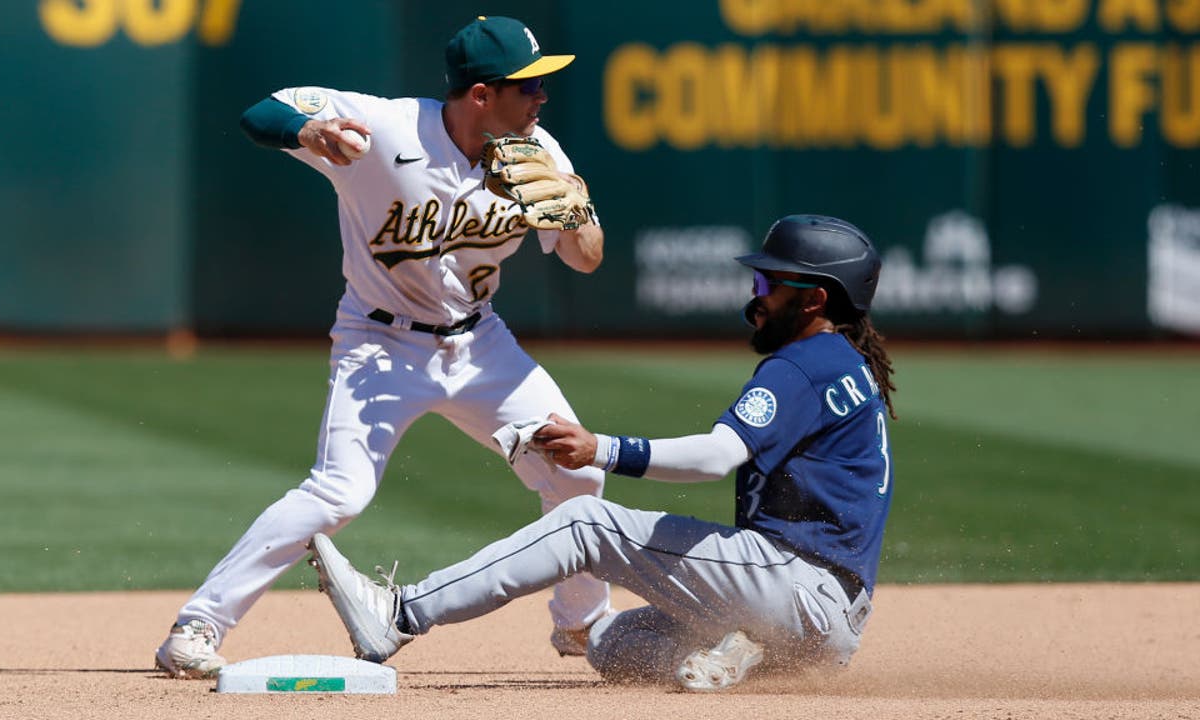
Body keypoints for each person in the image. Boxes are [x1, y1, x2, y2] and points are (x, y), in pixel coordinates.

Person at [154, 16, 612, 678]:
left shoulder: (538, 151)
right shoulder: (386, 128)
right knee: (338, 493)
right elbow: (263, 112)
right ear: (481, 94)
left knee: (578, 471)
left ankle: (579, 622)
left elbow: (586, 260)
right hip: (379, 343)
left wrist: (576, 212)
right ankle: (196, 625)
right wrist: (307, 132)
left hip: (482, 343)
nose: (542, 98)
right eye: (527, 86)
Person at [306, 214, 897, 692]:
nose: (756, 294)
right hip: (820, 620)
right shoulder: (847, 366)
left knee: (586, 522)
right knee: (614, 645)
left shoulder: (804, 364)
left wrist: (601, 449)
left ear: (815, 298)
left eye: (771, 283)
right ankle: (746, 658)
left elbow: (719, 456)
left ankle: (399, 613)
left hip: (797, 585)